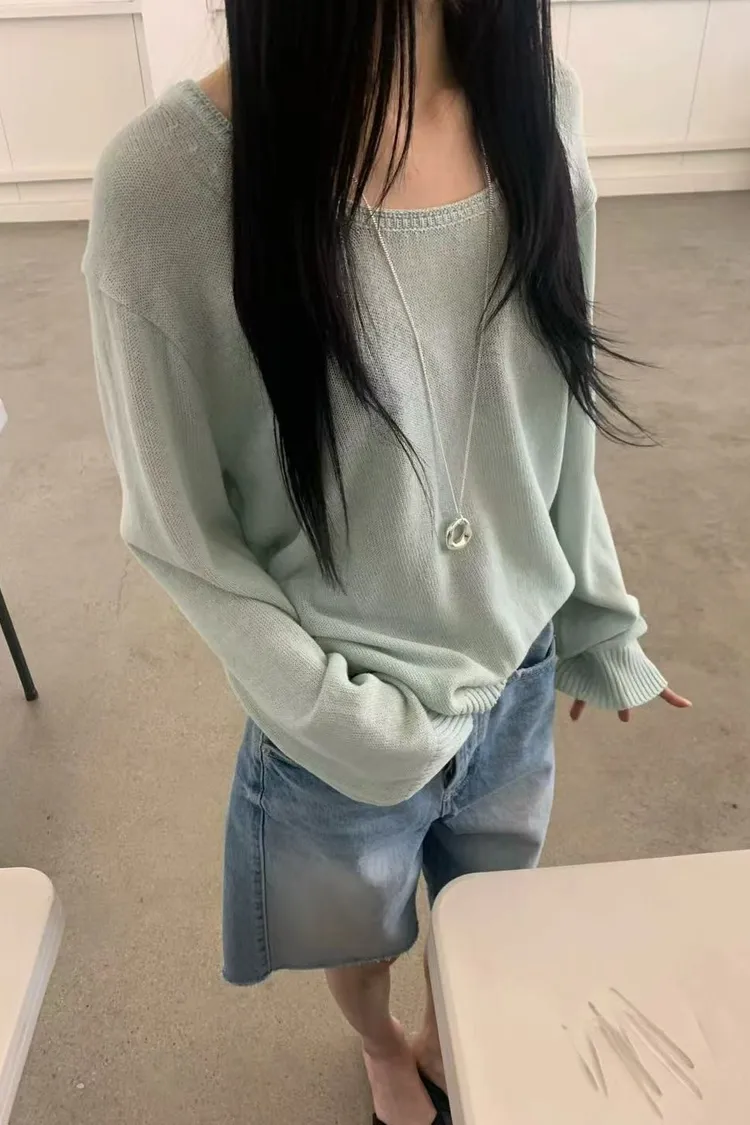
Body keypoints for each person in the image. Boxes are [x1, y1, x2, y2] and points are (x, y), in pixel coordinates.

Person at [84, 1, 691, 1122]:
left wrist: (597, 612)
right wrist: (338, 717)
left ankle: (443, 1031)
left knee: (488, 910)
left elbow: (555, 413)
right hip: (337, 712)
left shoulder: (539, 107)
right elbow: (177, 529)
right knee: (355, 937)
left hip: (512, 670)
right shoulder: (166, 188)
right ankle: (378, 1045)